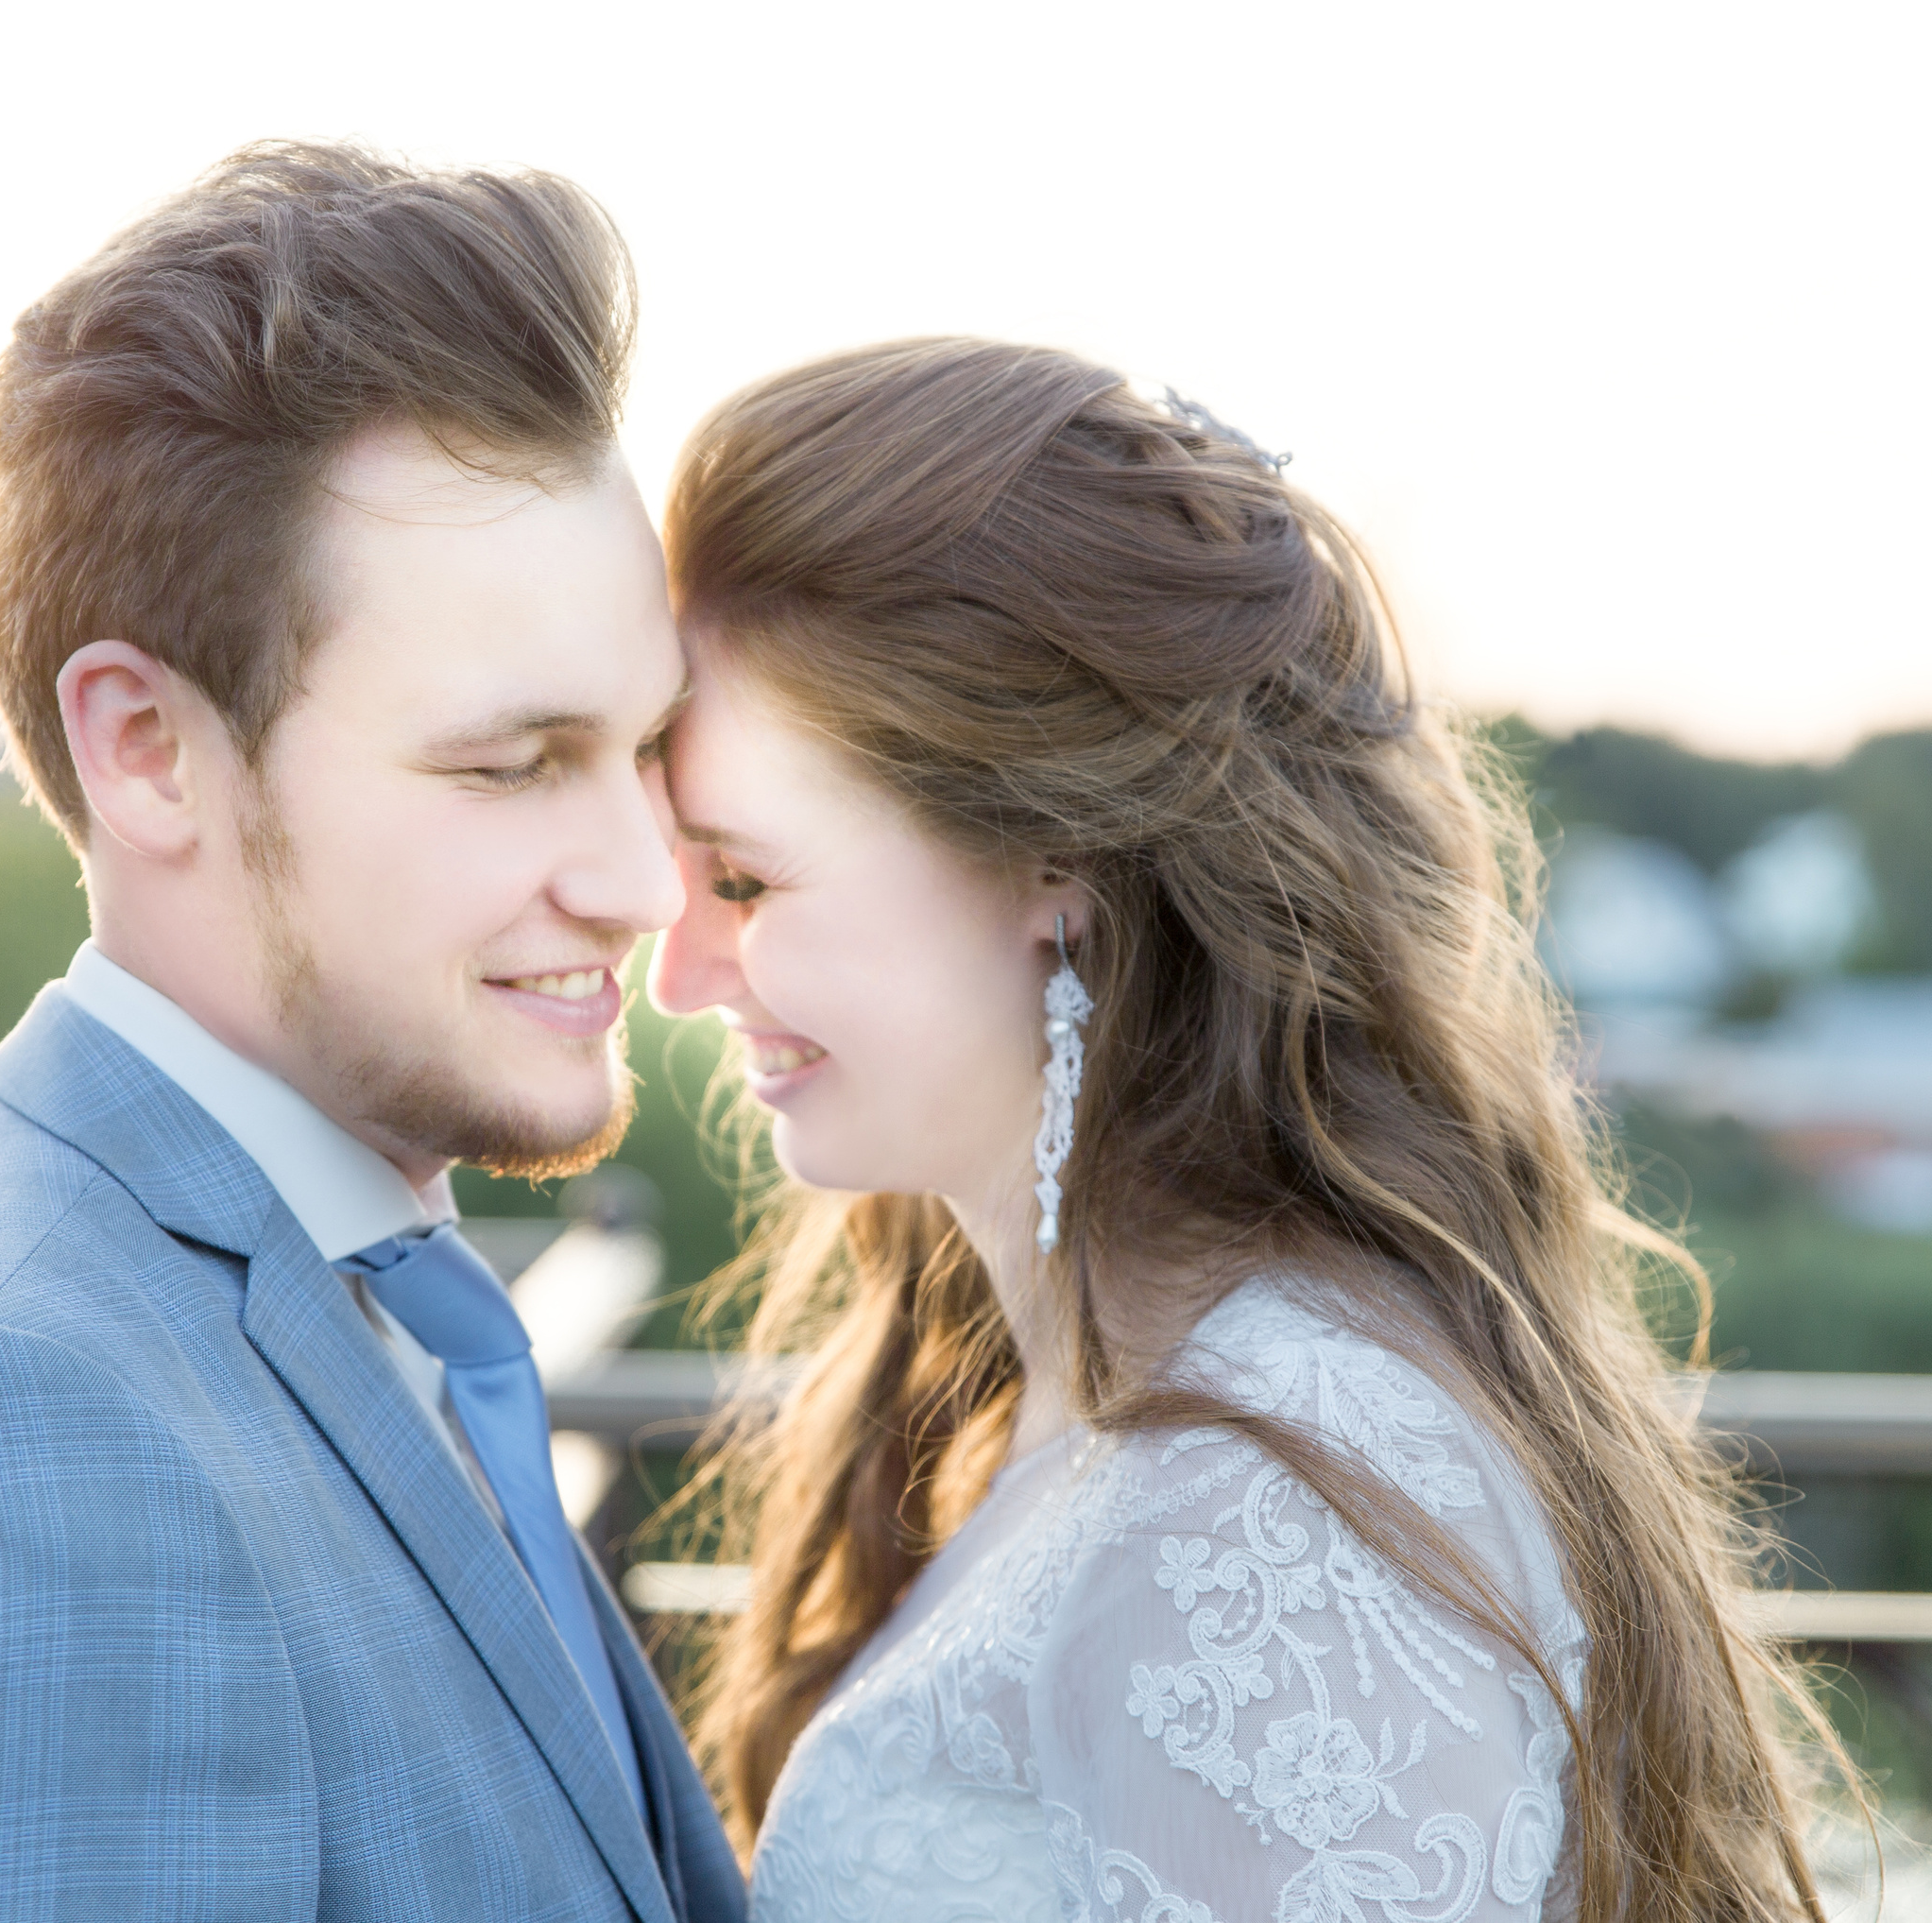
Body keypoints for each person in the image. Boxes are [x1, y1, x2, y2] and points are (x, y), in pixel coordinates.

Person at [0, 142, 742, 1923]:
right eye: (510, 764)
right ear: (148, 749)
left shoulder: (331, 1275)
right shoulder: (15, 1441)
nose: (648, 881)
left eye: (645, 750)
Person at [649, 338, 1836, 1921]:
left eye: (744, 879)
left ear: (1050, 860)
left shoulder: (1269, 1517)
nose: (676, 970)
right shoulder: (1102, 1393)